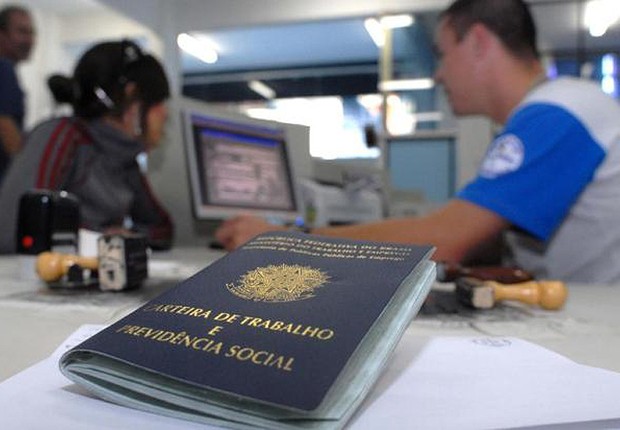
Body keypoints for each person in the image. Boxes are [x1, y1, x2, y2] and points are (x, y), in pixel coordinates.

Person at [214, 0, 620, 283]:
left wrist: (286, 242)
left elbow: (444, 241)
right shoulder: (563, 109)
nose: (439, 75)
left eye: (442, 55)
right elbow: (477, 239)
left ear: (478, 42)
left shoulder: (558, 113)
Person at [0, 40, 173, 253]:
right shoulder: (64, 136)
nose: (166, 114)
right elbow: (14, 230)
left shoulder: (125, 157)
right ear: (131, 97)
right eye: (158, 102)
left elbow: (162, 230)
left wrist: (120, 238)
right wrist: (100, 239)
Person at [0, 4, 35, 184]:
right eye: (22, 32)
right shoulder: (3, 70)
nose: (29, 40)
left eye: (32, 33)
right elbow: (6, 128)